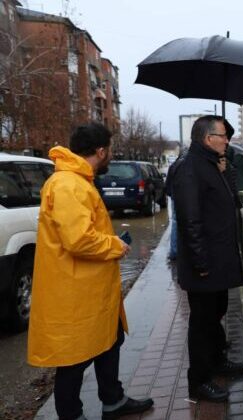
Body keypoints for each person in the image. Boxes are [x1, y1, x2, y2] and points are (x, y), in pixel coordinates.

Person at [27, 123, 154, 420]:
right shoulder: (69, 184)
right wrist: (114, 246)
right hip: (75, 291)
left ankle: (113, 400)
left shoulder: (77, 181)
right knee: (73, 359)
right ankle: (72, 415)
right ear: (100, 151)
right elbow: (78, 239)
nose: (110, 154)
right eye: (109, 149)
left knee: (111, 341)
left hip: (91, 288)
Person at [172, 115, 243, 402]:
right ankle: (199, 383)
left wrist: (226, 172)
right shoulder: (190, 169)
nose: (227, 140)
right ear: (207, 139)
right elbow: (190, 220)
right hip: (205, 264)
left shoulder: (212, 165)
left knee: (216, 314)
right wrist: (201, 263)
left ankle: (216, 362)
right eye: (222, 135)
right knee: (201, 323)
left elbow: (231, 200)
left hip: (219, 259)